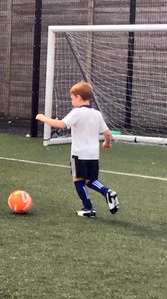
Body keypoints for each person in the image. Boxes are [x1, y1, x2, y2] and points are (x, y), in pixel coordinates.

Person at [35, 80, 121, 218]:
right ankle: (107, 192)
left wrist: (43, 118)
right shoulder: (96, 114)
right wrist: (107, 143)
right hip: (93, 154)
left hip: (79, 154)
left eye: (72, 98)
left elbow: (62, 124)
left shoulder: (77, 112)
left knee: (77, 179)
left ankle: (89, 208)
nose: (72, 101)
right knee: (90, 179)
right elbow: (107, 133)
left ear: (79, 97)